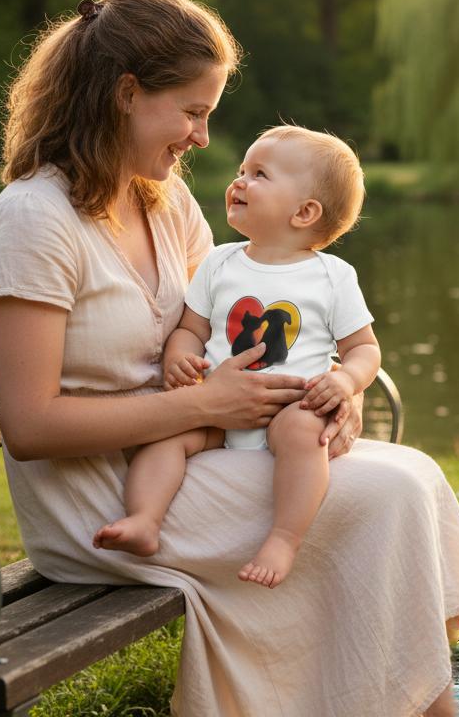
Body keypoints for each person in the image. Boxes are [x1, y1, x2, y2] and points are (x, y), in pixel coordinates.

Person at [0, 0, 459, 717]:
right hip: (101, 496)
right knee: (383, 497)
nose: (202, 139)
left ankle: (414, 701)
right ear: (126, 93)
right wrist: (204, 402)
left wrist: (327, 400)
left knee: (411, 474)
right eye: (191, 112)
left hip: (197, 450)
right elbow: (30, 428)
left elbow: (220, 333)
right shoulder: (35, 220)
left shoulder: (165, 201)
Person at [93, 125, 381, 590]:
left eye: (260, 174)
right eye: (241, 170)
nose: (239, 181)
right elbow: (192, 329)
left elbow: (364, 349)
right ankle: (145, 519)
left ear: (305, 212)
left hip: (288, 405)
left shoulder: (332, 277)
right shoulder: (220, 263)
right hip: (215, 407)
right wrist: (180, 359)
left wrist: (347, 382)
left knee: (305, 434)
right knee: (166, 437)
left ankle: (284, 539)